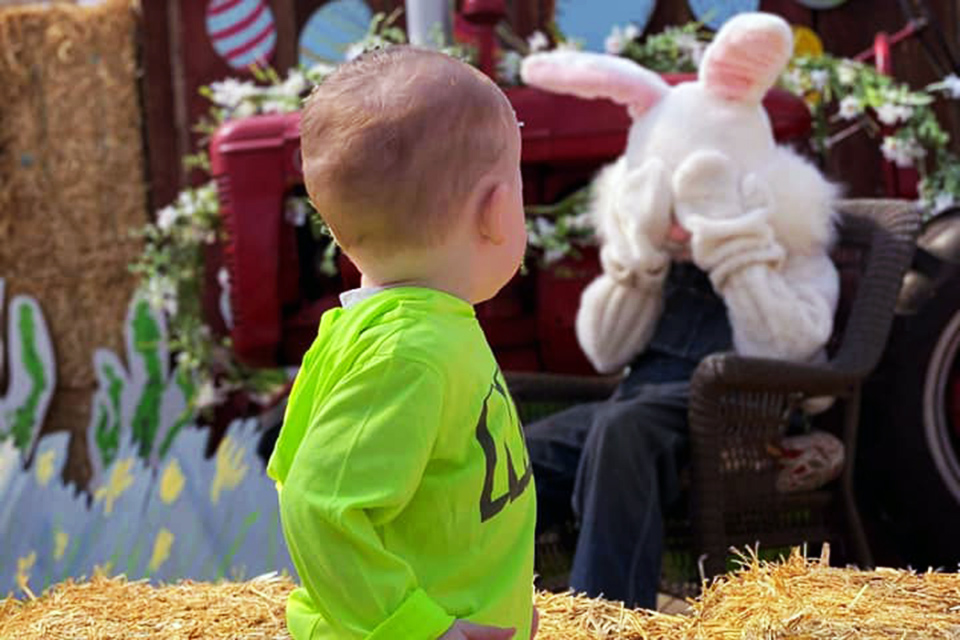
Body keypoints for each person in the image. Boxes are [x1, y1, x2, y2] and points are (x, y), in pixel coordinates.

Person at [266, 47, 537, 640]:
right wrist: (422, 631)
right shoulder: (409, 353)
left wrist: (505, 599)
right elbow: (318, 505)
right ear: (496, 211)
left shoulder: (431, 326)